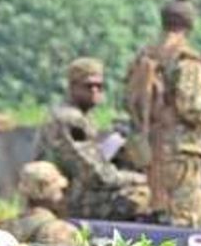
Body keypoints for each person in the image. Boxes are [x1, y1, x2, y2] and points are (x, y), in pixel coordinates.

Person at [124, 0, 201, 227]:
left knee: (157, 214)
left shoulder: (145, 56)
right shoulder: (186, 57)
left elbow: (128, 99)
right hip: (180, 152)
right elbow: (189, 105)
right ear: (190, 23)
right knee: (185, 219)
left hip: (149, 148)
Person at [39, 58, 150, 221]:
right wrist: (141, 179)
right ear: (72, 87)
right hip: (65, 199)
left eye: (99, 86)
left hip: (69, 192)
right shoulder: (70, 119)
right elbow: (97, 175)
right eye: (88, 86)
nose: (94, 91)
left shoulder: (78, 116)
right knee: (141, 194)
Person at [3, 161, 80, 246]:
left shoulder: (8, 228)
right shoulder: (62, 231)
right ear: (45, 189)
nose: (63, 196)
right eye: (61, 191)